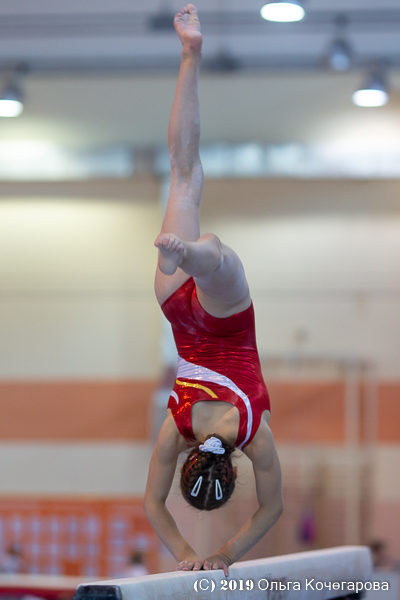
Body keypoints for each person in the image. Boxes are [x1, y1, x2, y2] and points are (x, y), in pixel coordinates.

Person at [143, 4, 283, 577]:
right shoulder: (175, 428)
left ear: (233, 474)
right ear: (186, 467)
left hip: (225, 319)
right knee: (183, 174)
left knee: (219, 255)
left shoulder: (255, 436)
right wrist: (186, 555)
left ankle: (197, 255)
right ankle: (188, 53)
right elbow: (153, 505)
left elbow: (271, 510)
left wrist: (223, 554)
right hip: (175, 306)